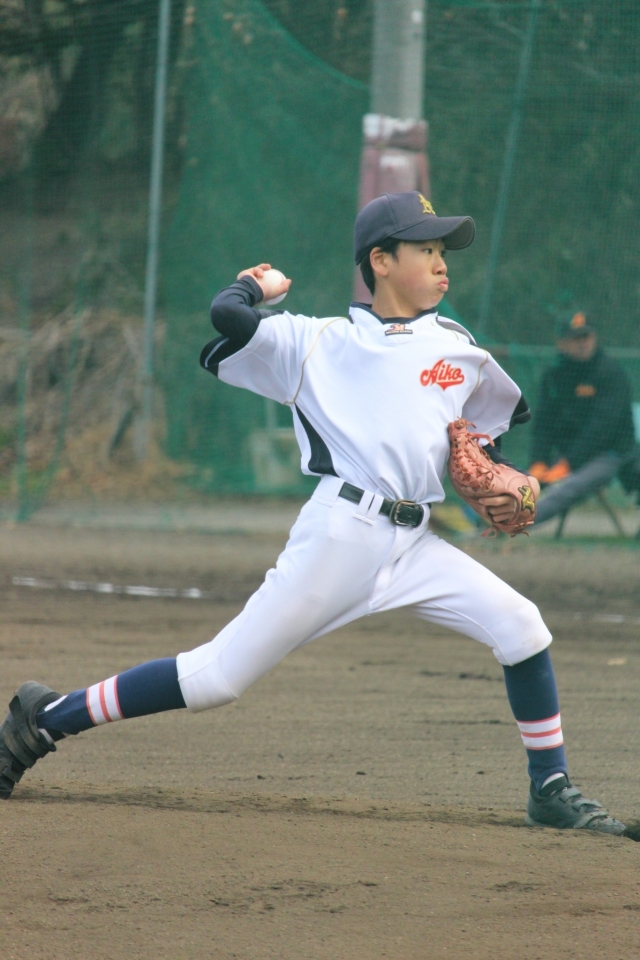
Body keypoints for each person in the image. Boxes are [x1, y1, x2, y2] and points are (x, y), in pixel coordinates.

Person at [0, 192, 625, 834]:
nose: (442, 264)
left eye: (443, 251)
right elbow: (226, 316)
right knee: (216, 679)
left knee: (522, 627)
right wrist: (255, 285)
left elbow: (477, 439)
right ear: (380, 261)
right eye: (426, 249)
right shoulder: (319, 341)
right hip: (341, 537)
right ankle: (45, 719)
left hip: (415, 544)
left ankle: (550, 787)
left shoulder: (457, 345)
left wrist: (501, 476)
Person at [529, 312, 638, 525]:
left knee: (566, 488)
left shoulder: (610, 373)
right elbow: (543, 425)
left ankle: (513, 521)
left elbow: (602, 429)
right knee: (520, 480)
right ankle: (484, 517)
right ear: (561, 343)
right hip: (567, 455)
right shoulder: (554, 375)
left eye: (586, 337)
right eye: (575, 338)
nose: (582, 343)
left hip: (609, 455)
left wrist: (568, 464)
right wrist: (538, 461)